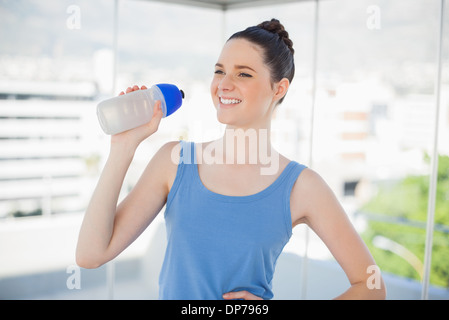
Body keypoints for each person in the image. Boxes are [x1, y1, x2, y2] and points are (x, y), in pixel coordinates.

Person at [76, 19, 386, 300]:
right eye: (220, 70)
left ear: (279, 88)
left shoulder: (302, 187)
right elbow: (90, 255)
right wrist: (123, 147)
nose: (224, 84)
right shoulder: (175, 161)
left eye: (243, 74)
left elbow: (371, 287)